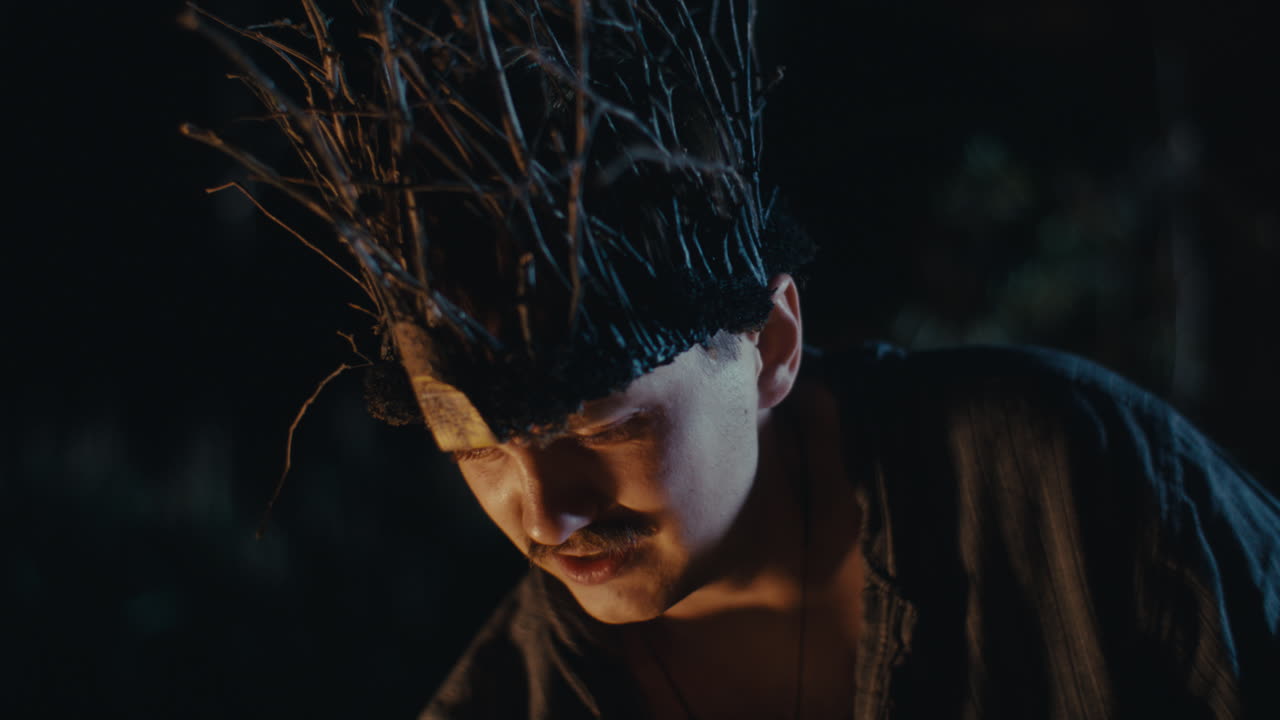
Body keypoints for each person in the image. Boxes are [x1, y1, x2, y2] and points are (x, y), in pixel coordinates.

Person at [184, 1, 1280, 717]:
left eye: (606, 427)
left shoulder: (1059, 482)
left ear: (770, 344)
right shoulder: (505, 703)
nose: (544, 511)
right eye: (473, 445)